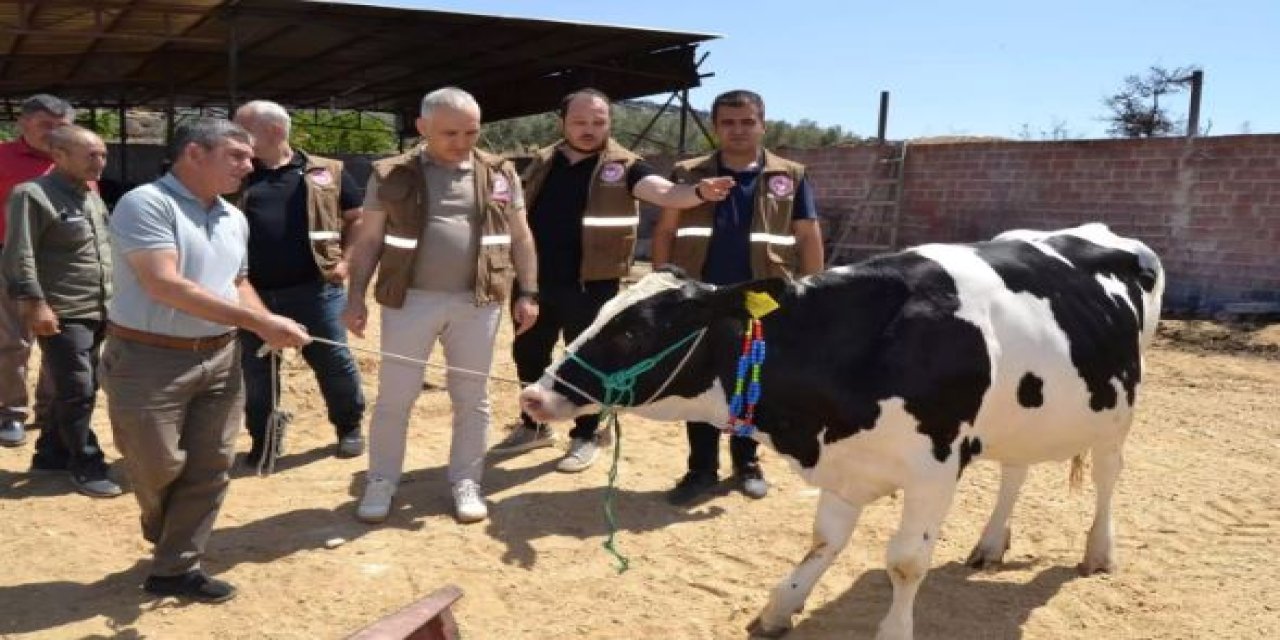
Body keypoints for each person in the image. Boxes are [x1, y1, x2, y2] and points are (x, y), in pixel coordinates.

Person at [102, 118, 309, 603]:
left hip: (219, 357)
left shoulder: (232, 217)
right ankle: (169, 534)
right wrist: (259, 324)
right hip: (148, 359)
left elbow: (237, 282)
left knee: (212, 465)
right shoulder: (146, 204)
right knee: (156, 466)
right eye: (236, 155)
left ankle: (175, 566)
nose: (249, 165)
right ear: (194, 153)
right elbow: (165, 285)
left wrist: (265, 319)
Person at [490, 88, 733, 473]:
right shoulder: (541, 161)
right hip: (535, 280)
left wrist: (698, 192)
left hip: (592, 285)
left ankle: (586, 434)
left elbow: (665, 192)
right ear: (562, 123)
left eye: (598, 122)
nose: (589, 130)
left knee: (587, 361)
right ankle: (534, 425)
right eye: (580, 122)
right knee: (529, 354)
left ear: (610, 123)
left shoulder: (624, 165)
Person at [342, 86, 538, 525]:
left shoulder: (499, 172)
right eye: (450, 133)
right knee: (396, 395)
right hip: (408, 302)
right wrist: (355, 298)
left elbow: (521, 236)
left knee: (473, 397)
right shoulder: (391, 173)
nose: (463, 142)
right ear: (422, 127)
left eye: (472, 132)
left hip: (477, 304)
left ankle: (466, 481)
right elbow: (370, 238)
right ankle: (381, 479)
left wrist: (529, 291)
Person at [652, 90, 825, 505]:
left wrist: (816, 293)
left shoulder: (790, 175)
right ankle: (700, 470)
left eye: (748, 122)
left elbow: (807, 235)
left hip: (760, 298)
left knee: (751, 382)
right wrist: (662, 284)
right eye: (729, 123)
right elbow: (666, 232)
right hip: (701, 297)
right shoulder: (688, 173)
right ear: (716, 128)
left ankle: (746, 463)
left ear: (763, 124)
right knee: (698, 385)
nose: (738, 130)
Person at [232, 100, 367, 465]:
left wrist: (347, 261)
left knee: (332, 361)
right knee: (257, 373)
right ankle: (264, 438)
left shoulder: (328, 171)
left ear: (274, 131)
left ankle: (349, 428)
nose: (236, 140)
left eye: (244, 131)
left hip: (315, 290)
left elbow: (358, 219)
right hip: (251, 294)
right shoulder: (235, 174)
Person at [0, 125, 119, 497]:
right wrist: (35, 304)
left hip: (97, 307)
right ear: (60, 155)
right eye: (90, 155)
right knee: (78, 389)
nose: (99, 162)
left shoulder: (92, 196)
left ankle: (51, 453)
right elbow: (19, 254)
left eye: (102, 154)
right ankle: (86, 464)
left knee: (78, 385)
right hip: (61, 309)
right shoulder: (32, 195)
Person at [0, 94, 74, 448]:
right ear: (23, 124)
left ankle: (50, 409)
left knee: (61, 338)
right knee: (13, 341)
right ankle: (11, 411)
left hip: (62, 264)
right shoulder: (2, 158)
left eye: (61, 127)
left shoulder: (75, 163)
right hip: (9, 260)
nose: (54, 134)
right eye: (46, 125)